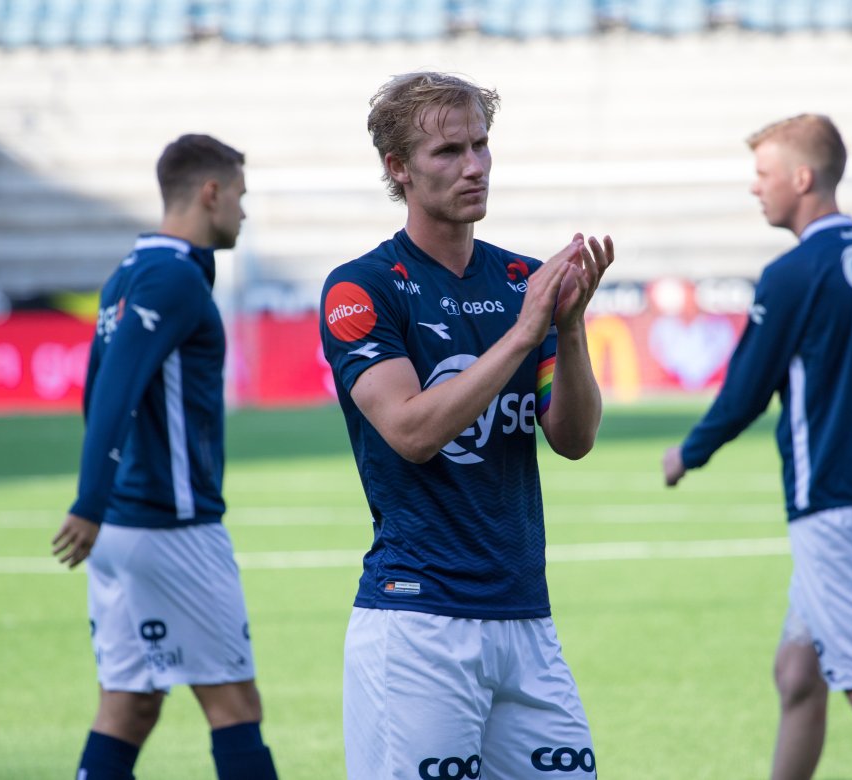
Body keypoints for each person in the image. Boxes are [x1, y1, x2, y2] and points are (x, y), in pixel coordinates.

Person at [319, 71, 612, 779]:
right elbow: (413, 433)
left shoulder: (521, 279)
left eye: (481, 145)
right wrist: (521, 334)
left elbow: (572, 437)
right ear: (399, 169)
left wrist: (567, 331)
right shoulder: (361, 288)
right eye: (449, 151)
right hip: (419, 624)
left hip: (525, 617)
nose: (474, 166)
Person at [662, 114, 852, 780]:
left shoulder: (792, 275)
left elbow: (745, 391)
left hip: (830, 503)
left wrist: (687, 454)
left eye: (763, 174)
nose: (755, 189)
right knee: (798, 671)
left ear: (802, 178)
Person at [51, 134, 278, 780]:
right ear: (210, 193)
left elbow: (96, 391)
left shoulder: (129, 272)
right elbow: (116, 387)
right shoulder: (173, 277)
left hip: (124, 529)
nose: (243, 210)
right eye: (239, 194)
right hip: (172, 529)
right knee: (235, 702)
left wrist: (101, 502)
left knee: (130, 706)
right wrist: (89, 499)